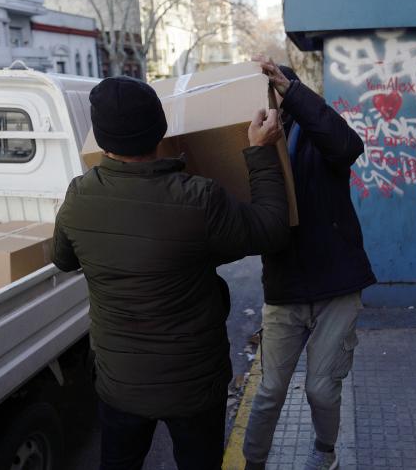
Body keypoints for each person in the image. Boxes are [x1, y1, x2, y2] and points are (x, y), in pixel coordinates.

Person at [52, 75, 290, 470]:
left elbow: (63, 259)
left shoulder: (78, 196)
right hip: (194, 386)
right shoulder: (199, 197)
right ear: (159, 129)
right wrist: (260, 152)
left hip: (120, 383)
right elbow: (272, 229)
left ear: (103, 141)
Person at [243, 59, 377, 470]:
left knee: (321, 388)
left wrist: (294, 93)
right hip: (285, 287)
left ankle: (325, 452)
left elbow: (348, 146)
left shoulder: (316, 135)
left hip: (336, 283)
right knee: (269, 391)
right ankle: (253, 462)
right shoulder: (252, 145)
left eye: (277, 93)